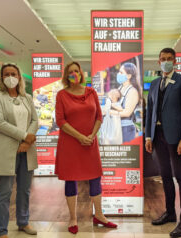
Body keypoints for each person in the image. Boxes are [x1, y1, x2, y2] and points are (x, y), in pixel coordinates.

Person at [55, 62, 117, 234]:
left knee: (95, 177)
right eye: (70, 72)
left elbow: (99, 116)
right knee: (71, 178)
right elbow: (60, 121)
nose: (74, 73)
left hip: (90, 142)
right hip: (70, 143)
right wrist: (80, 137)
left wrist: (91, 135)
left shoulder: (91, 92)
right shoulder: (61, 95)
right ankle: (73, 218)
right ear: (66, 76)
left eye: (76, 71)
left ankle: (100, 216)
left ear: (81, 73)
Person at [145, 48, 181, 238]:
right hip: (157, 136)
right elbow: (150, 111)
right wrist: (148, 136)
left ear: (175, 61)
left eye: (169, 59)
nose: (165, 62)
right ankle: (170, 213)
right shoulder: (155, 83)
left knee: (180, 177)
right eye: (163, 59)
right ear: (158, 62)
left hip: (175, 138)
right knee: (165, 176)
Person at [0, 63, 38, 238]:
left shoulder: (27, 98)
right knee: (4, 192)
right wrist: (25, 135)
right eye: (6, 74)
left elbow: (34, 120)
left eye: (14, 73)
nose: (10, 77)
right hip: (6, 151)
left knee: (24, 190)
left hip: (27, 150)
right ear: (2, 78)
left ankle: (23, 222)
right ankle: (1, 230)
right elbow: (0, 123)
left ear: (19, 77)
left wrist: (27, 142)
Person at [111, 62, 141, 142]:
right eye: (119, 72)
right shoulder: (120, 88)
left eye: (121, 72)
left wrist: (109, 112)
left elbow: (127, 113)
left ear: (129, 76)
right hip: (117, 127)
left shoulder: (132, 91)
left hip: (126, 130)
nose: (118, 74)